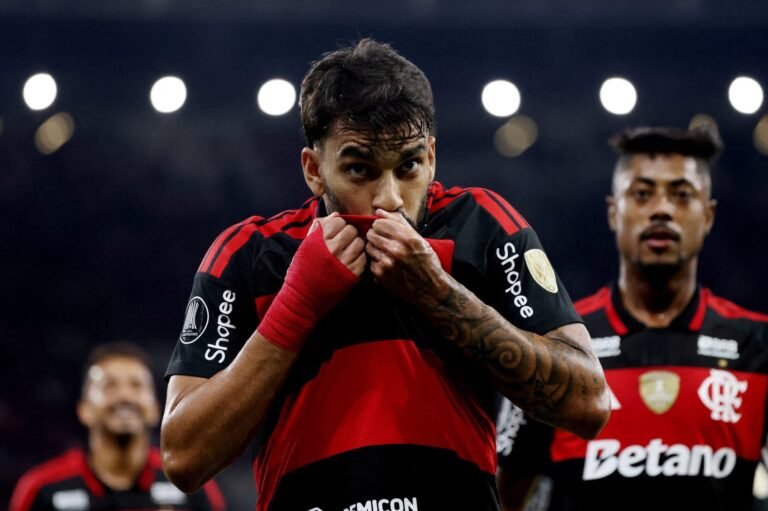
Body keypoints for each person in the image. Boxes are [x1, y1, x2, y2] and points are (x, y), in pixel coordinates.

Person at [160, 38, 610, 511]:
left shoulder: (482, 225)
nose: (390, 199)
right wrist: (295, 306)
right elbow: (184, 458)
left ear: (431, 157)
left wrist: (438, 293)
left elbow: (588, 404)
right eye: (360, 169)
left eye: (408, 165)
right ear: (314, 170)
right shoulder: (250, 254)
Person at [496, 126, 768, 511]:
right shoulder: (557, 346)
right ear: (613, 211)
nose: (662, 209)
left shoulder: (758, 344)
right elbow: (502, 496)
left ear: (708, 216)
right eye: (642, 193)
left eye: (682, 194)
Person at [10, 342, 225, 511]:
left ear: (155, 409)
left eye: (136, 385)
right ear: (84, 409)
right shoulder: (42, 488)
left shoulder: (190, 485)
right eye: (109, 385)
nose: (124, 396)